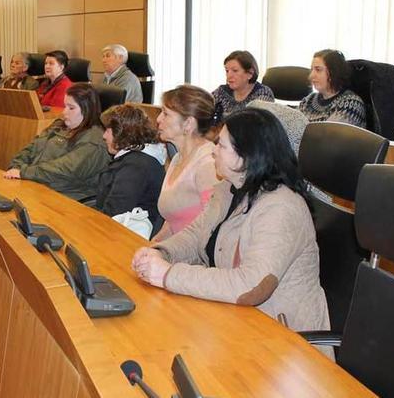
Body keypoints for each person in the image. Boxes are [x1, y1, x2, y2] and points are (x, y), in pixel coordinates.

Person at [132, 107, 330, 334]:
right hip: (234, 321)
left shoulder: (282, 208)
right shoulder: (229, 188)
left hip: (282, 341)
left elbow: (251, 286)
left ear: (247, 155)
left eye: (221, 145)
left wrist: (168, 275)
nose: (213, 151)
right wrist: (160, 253)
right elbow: (196, 234)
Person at [4, 83, 111, 201]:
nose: (64, 112)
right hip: (35, 185)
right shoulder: (60, 125)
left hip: (65, 198)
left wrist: (24, 172)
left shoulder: (94, 140)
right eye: (65, 106)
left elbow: (64, 170)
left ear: (87, 109)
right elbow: (32, 147)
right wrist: (16, 166)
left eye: (71, 108)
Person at [154, 85, 222, 241]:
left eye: (165, 114)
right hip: (176, 251)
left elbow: (211, 229)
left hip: (193, 258)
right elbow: (174, 221)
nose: (158, 119)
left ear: (188, 124)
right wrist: (153, 245)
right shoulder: (177, 158)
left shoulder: (208, 165)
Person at [96, 104, 167, 228]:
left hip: (125, 234)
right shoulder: (133, 159)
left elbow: (114, 214)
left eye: (107, 130)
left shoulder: (136, 167)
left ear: (121, 133)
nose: (104, 136)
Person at [298, 49, 366, 127]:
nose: (311, 76)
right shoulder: (308, 100)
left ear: (334, 72)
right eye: (312, 70)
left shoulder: (351, 104)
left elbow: (325, 136)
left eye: (318, 70)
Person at [211, 50, 274, 116]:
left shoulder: (263, 93)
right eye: (227, 71)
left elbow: (256, 121)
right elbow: (204, 107)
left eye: (235, 71)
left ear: (250, 73)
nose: (229, 75)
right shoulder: (221, 91)